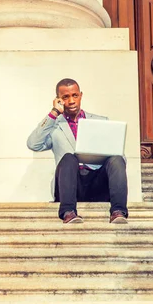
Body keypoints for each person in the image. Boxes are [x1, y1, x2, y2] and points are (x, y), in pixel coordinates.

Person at [27, 78, 129, 224]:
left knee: (117, 158)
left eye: (75, 95)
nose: (71, 101)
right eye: (65, 97)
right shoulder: (54, 125)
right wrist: (54, 113)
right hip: (70, 185)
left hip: (97, 182)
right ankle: (68, 212)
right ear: (58, 100)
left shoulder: (100, 121)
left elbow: (120, 157)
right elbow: (33, 144)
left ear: (81, 95)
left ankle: (118, 212)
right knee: (69, 158)